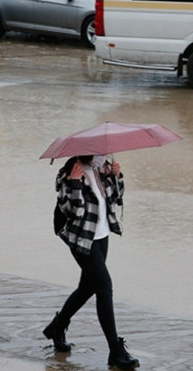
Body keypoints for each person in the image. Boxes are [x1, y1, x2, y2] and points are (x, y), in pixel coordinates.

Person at [43, 154, 139, 370]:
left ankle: (57, 327)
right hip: (81, 237)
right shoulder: (69, 173)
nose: (102, 157)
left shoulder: (101, 169)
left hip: (101, 235)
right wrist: (75, 183)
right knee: (104, 287)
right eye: (98, 154)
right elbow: (74, 212)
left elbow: (116, 199)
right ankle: (115, 350)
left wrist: (116, 176)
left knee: (88, 287)